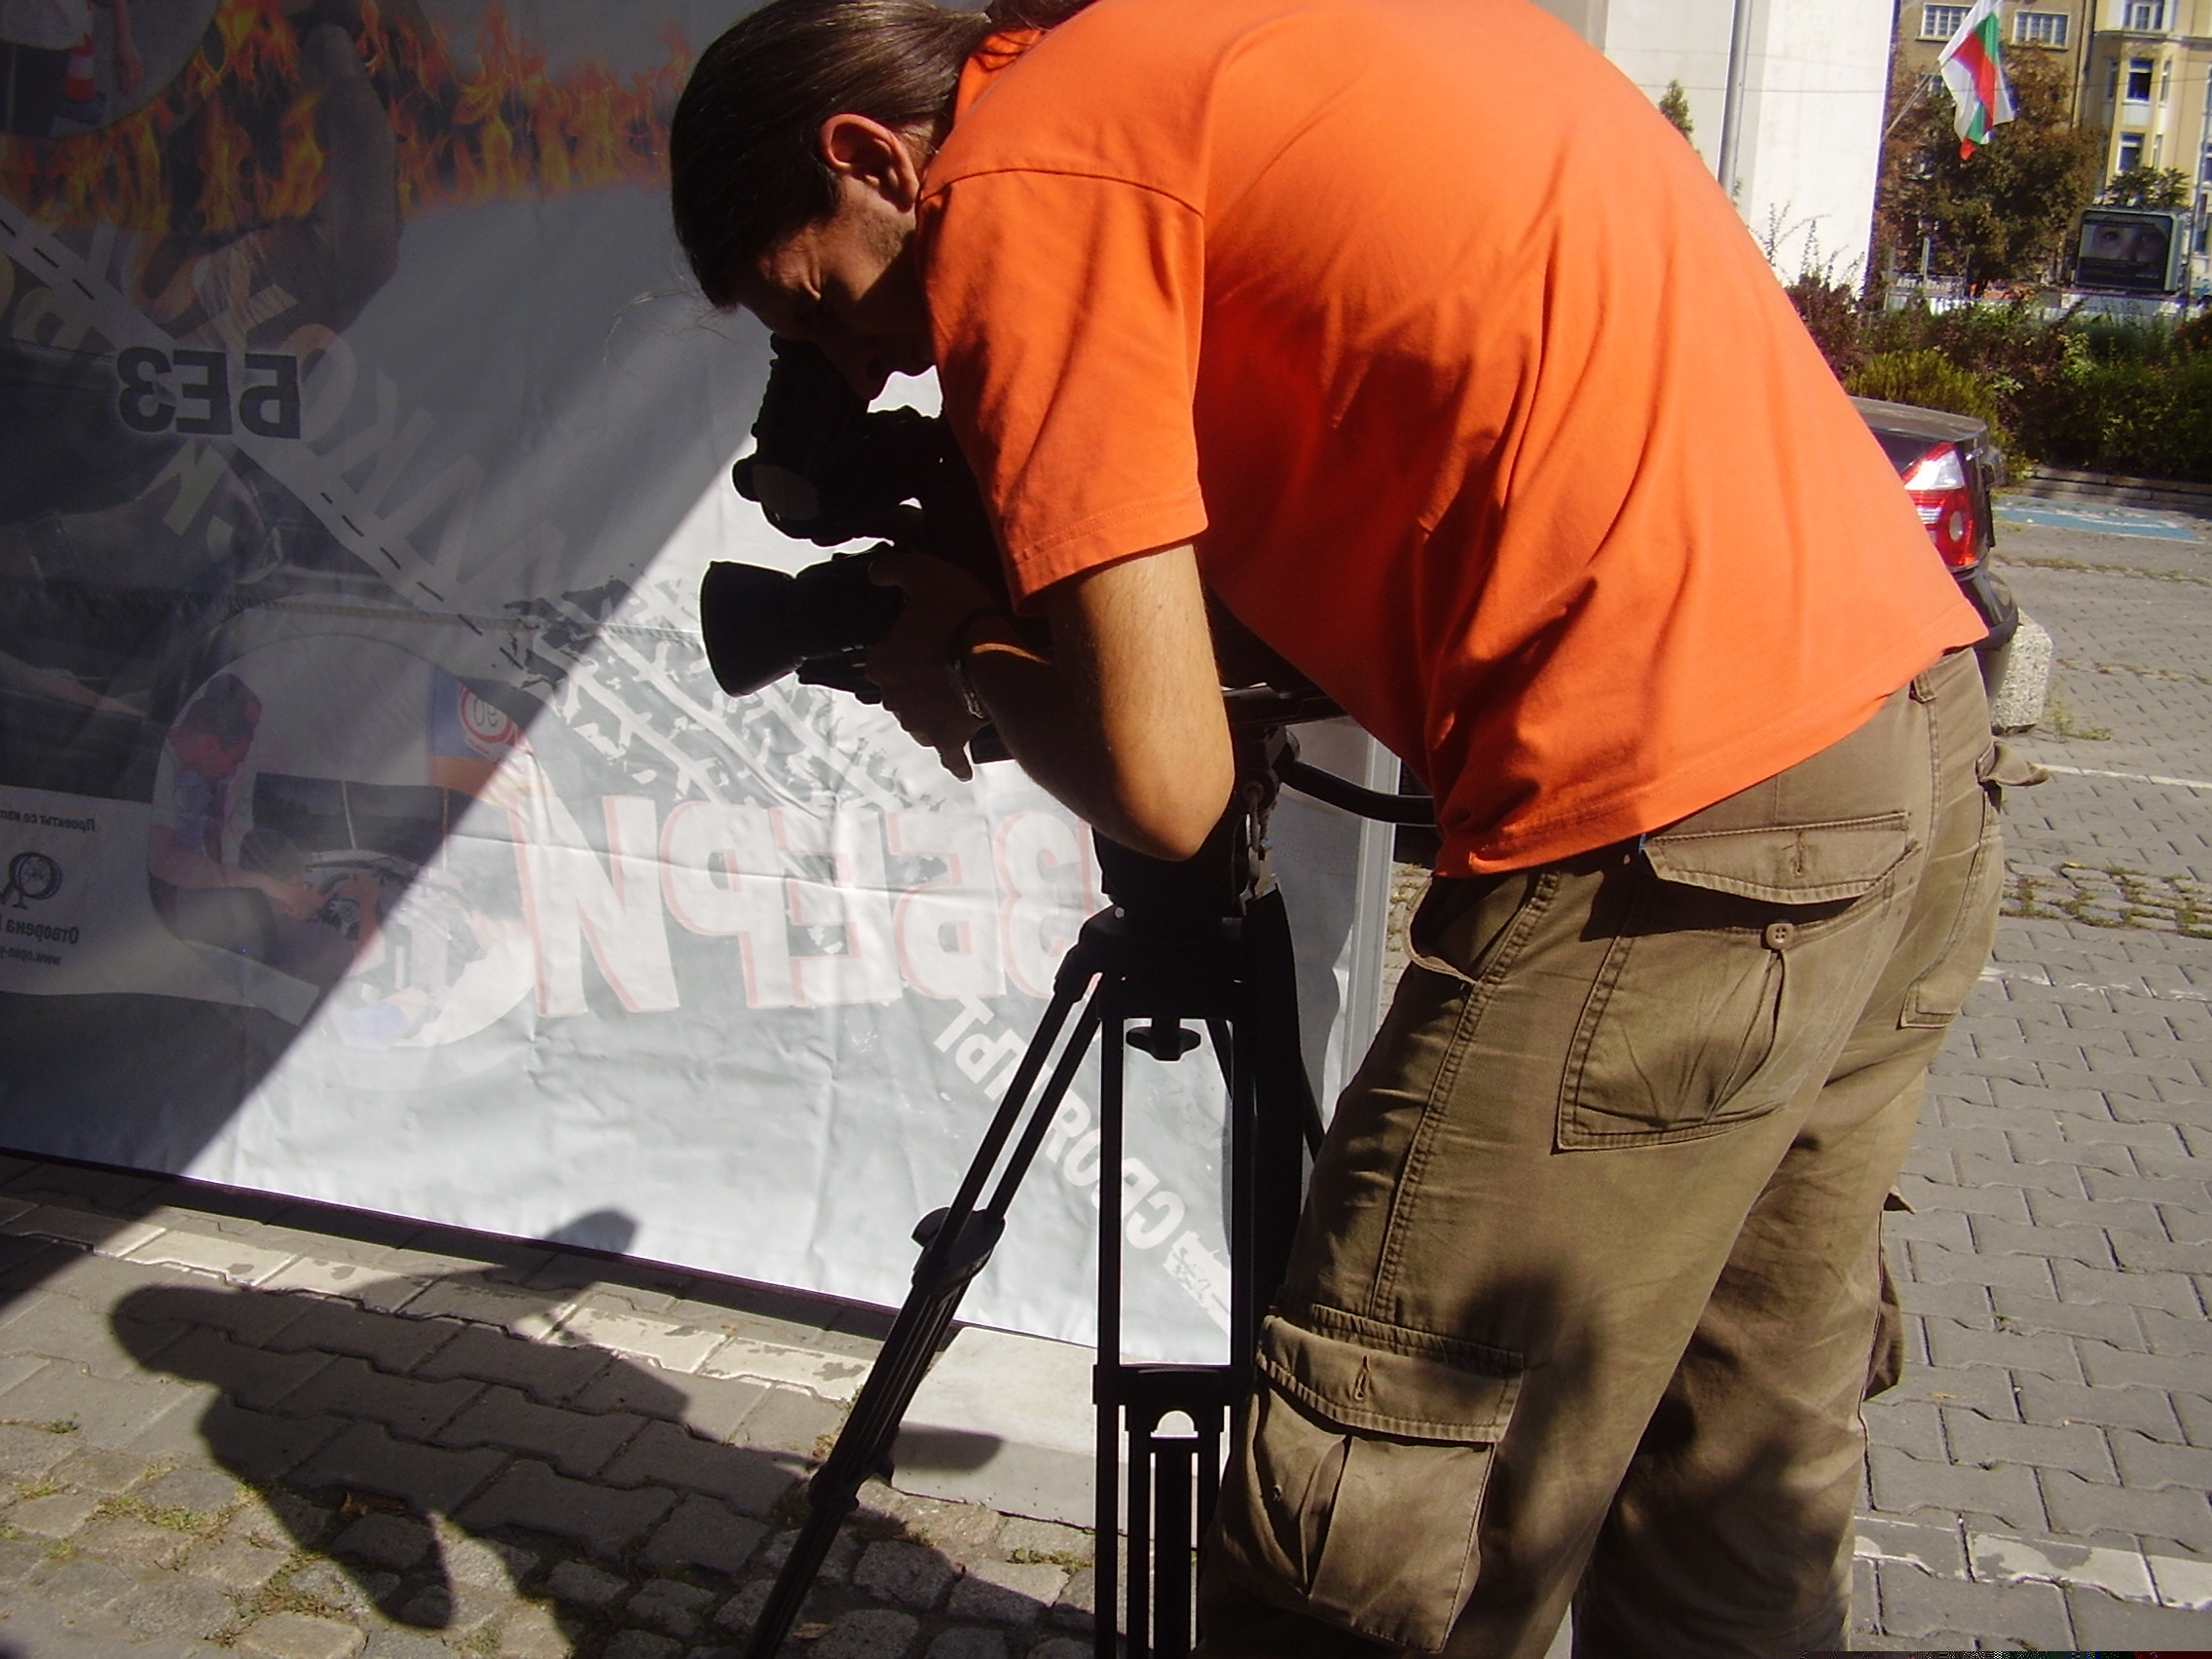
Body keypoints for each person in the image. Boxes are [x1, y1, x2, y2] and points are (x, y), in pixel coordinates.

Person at [668, 3, 2009, 1654]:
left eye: (826, 303)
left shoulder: (1029, 171)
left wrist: (958, 653)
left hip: (1682, 825)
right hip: (1901, 740)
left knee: (1369, 1532)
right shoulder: (1213, 59)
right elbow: (1386, 490)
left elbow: (1166, 780)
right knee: (1727, 1473)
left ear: (872, 157)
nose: (876, 365)